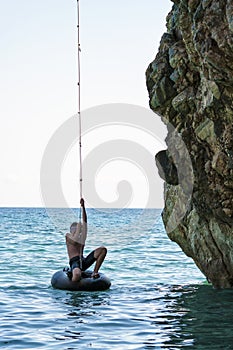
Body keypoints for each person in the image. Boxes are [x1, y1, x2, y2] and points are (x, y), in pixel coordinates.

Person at [65, 198, 107, 282]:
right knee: (77, 275)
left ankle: (94, 272)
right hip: (74, 262)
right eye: (73, 229)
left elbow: (85, 222)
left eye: (76, 229)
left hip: (83, 261)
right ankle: (73, 275)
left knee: (102, 250)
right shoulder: (68, 236)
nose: (75, 230)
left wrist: (83, 206)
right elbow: (74, 241)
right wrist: (78, 229)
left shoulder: (82, 237)